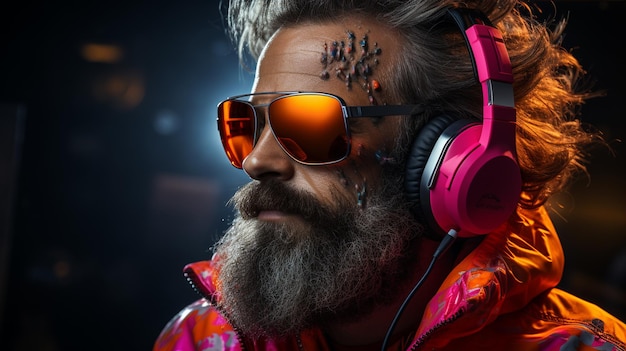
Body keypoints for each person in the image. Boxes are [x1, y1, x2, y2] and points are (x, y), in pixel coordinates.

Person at [153, 0, 626, 350]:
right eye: (246, 124)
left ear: (451, 161)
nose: (257, 161)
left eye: (310, 124)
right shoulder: (198, 338)